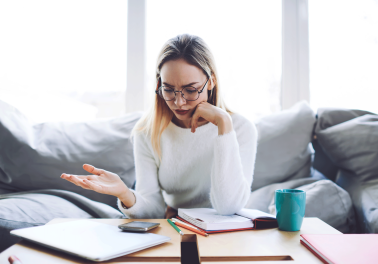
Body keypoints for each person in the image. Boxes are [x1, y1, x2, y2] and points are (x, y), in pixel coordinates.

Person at [60, 34, 257, 219]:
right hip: (177, 227)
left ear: (211, 81)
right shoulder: (147, 132)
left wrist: (224, 126)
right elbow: (153, 210)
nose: (179, 102)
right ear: (158, 84)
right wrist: (125, 193)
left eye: (190, 90)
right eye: (169, 90)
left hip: (228, 233)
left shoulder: (239, 129)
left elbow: (228, 208)